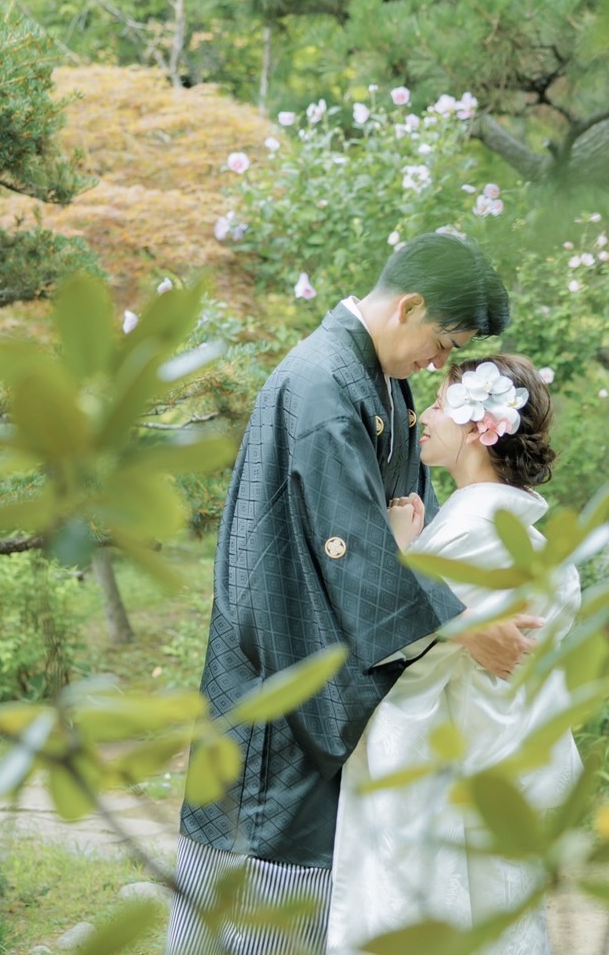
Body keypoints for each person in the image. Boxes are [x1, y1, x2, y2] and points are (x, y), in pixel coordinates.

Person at [167, 233, 538, 954]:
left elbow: (404, 525)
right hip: (283, 656)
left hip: (331, 653)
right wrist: (463, 625)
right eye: (441, 342)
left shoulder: (380, 381)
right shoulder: (324, 386)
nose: (438, 364)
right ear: (409, 305)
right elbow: (356, 549)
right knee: (261, 871)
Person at [326, 354, 582, 955]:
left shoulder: (475, 528)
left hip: (448, 763)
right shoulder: (516, 531)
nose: (427, 417)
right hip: (497, 757)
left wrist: (396, 557)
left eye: (440, 405)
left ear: (477, 426)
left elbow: (401, 642)